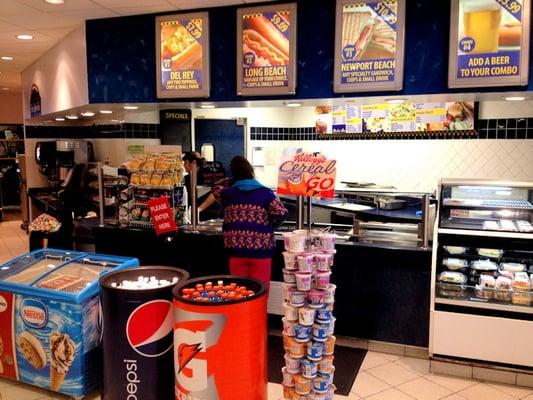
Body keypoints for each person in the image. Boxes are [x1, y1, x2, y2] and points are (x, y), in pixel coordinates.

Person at [213, 156, 288, 290]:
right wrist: (270, 224)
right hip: (261, 251)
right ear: (251, 172)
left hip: (235, 250)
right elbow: (281, 213)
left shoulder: (228, 193)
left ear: (233, 174)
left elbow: (215, 187)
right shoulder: (266, 193)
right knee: (259, 291)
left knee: (238, 293)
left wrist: (234, 179)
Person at [182, 152, 221, 221]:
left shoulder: (207, 175)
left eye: (185, 162)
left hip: (210, 212)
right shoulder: (186, 178)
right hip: (194, 213)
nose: (184, 165)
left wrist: (199, 209)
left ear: (193, 163)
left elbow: (214, 194)